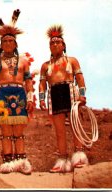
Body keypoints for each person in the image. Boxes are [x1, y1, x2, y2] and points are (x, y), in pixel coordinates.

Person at [0, 10, 34, 174]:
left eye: (10, 41)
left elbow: (28, 80)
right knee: (6, 131)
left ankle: (21, 162)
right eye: (4, 41)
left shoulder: (23, 61)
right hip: (2, 97)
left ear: (15, 44)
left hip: (20, 94)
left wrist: (30, 98)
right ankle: (8, 162)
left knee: (19, 131)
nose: (7, 43)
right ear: (1, 45)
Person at [39, 25, 88, 173]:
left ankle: (79, 156)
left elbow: (80, 79)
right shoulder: (45, 66)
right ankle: (62, 160)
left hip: (70, 92)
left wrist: (82, 95)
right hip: (54, 94)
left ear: (63, 45)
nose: (54, 45)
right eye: (51, 43)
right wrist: (41, 99)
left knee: (75, 126)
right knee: (59, 131)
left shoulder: (72, 61)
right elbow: (42, 84)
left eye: (57, 42)